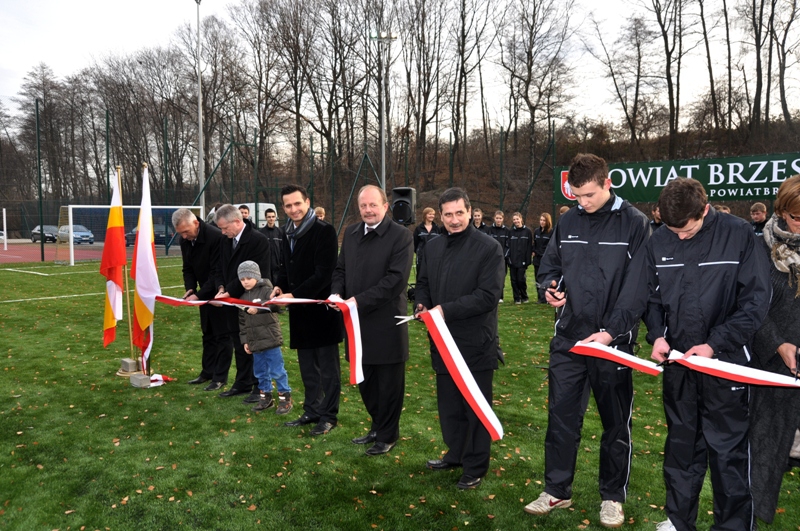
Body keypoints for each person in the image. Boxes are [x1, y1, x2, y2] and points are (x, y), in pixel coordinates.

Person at [526, 153, 650, 529]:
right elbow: (550, 266)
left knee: (615, 424)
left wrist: (612, 331)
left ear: (607, 183)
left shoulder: (635, 223)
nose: (583, 202)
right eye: (577, 196)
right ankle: (556, 490)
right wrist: (549, 288)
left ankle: (612, 497)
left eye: (590, 195)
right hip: (569, 339)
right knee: (561, 417)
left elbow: (638, 288)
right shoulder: (569, 220)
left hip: (613, 343)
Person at [644, 178, 770, 531]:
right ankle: (679, 520)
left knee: (728, 453)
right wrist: (657, 335)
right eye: (674, 231)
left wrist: (715, 344)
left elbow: (755, 301)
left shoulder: (739, 234)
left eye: (687, 229)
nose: (680, 237)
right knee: (681, 446)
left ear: (705, 209)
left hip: (726, 363)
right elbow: (651, 297)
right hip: (679, 363)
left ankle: (732, 526)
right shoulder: (660, 239)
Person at [415, 187, 504, 490]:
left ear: (470, 211)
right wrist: (422, 305)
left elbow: (488, 296)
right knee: (450, 406)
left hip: (475, 342)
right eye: (448, 214)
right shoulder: (432, 247)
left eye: (459, 213)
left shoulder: (489, 247)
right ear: (440, 216)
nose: (454, 220)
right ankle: (456, 453)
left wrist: (445, 310)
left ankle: (475, 466)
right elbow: (423, 283)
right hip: (442, 342)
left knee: (475, 407)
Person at [331, 185, 414, 456]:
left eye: (373, 205)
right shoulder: (351, 233)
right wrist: (336, 293)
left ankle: (388, 435)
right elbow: (340, 269)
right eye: (363, 206)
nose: (368, 210)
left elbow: (395, 280)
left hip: (387, 324)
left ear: (385, 206)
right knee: (366, 382)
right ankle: (377, 427)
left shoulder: (401, 236)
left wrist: (359, 300)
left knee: (389, 385)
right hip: (357, 324)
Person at [748, 175, 800, 526]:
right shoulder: (760, 250)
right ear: (781, 211)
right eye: (797, 217)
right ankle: (750, 517)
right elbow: (751, 306)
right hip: (773, 366)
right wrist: (777, 343)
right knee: (764, 453)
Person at [271, 184, 342, 437]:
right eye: (288, 205)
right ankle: (312, 410)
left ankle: (328, 416)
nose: (293, 209)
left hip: (322, 312)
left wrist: (294, 295)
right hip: (300, 313)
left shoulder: (324, 231)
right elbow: (285, 267)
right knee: (308, 368)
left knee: (328, 370)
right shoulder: (287, 232)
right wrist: (279, 286)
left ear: (307, 202)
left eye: (297, 204)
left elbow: (324, 273)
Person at [213, 204, 272, 404]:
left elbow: (256, 275)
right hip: (231, 300)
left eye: (225, 228)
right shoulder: (225, 240)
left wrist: (229, 292)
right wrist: (221, 288)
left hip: (251, 300)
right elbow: (220, 267)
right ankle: (243, 381)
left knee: (255, 344)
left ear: (237, 222)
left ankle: (259, 386)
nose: (223, 232)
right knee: (238, 342)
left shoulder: (258, 240)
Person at [173, 208, 231, 391]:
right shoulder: (185, 240)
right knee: (208, 334)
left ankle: (220, 377)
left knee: (222, 335)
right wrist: (190, 288)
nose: (184, 236)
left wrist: (198, 295)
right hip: (203, 294)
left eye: (186, 231)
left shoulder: (216, 237)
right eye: (180, 233)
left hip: (219, 292)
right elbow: (187, 268)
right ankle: (207, 372)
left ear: (196, 223)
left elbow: (217, 272)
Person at [236, 261, 293, 415]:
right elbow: (242, 322)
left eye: (249, 278)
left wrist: (259, 307)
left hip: (270, 339)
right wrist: (245, 340)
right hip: (254, 342)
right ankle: (265, 397)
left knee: (277, 370)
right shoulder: (242, 297)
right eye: (242, 279)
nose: (245, 282)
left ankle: (285, 398)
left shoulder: (267, 291)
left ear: (256, 276)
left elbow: (275, 304)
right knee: (260, 372)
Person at [507, 212, 532, 304]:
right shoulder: (511, 232)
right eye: (514, 219)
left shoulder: (527, 231)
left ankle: (524, 296)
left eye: (517, 219)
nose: (516, 221)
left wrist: (527, 260)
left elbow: (529, 247)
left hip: (522, 260)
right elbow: (508, 246)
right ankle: (517, 298)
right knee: (514, 280)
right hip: (513, 260)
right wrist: (509, 258)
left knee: (521, 280)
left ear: (521, 219)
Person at [487, 211, 510, 303]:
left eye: (500, 218)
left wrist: (503, 256)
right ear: (494, 218)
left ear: (503, 219)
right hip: (492, 259)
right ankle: (492, 296)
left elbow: (508, 245)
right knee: (491, 277)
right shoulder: (489, 230)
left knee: (501, 278)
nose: (498, 220)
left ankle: (500, 296)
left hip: (503, 259)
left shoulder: (507, 231)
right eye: (497, 218)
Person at [531, 212, 553, 303]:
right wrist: (533, 251)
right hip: (537, 259)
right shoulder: (536, 231)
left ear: (548, 221)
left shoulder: (551, 232)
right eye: (541, 220)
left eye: (544, 220)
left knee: (545, 278)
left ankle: (547, 297)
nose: (542, 222)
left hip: (546, 259)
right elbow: (534, 244)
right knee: (537, 278)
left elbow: (551, 246)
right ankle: (540, 297)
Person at [259, 208, 283, 286]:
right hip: (265, 264)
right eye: (269, 217)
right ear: (265, 218)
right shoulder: (261, 233)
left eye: (273, 216)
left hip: (277, 264)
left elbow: (283, 248)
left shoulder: (280, 232)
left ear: (275, 217)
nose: (271, 219)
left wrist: (281, 261)